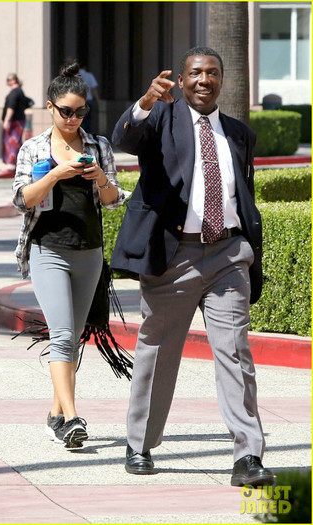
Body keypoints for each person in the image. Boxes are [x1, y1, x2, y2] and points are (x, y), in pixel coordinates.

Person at [110, 46, 275, 487]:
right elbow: (123, 140)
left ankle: (247, 455)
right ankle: (140, 443)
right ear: (181, 81)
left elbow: (243, 193)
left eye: (213, 73)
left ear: (221, 80)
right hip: (173, 257)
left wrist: (247, 247)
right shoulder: (161, 118)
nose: (205, 80)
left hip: (227, 255)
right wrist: (146, 102)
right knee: (158, 350)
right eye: (196, 73)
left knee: (235, 351)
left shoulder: (239, 134)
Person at [12, 61, 126, 450]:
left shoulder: (98, 146)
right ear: (50, 107)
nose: (74, 118)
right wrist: (56, 175)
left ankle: (56, 415)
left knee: (72, 338)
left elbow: (113, 201)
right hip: (47, 249)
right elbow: (22, 199)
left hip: (89, 251)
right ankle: (74, 418)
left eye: (80, 111)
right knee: (62, 334)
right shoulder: (34, 148)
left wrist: (100, 179)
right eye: (66, 111)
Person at [1, 73, 27, 176]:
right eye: (7, 79)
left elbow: (11, 107)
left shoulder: (14, 93)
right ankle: (17, 163)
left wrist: (6, 120)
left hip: (14, 121)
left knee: (12, 141)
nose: (8, 81)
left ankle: (11, 164)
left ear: (14, 80)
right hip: (19, 120)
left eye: (9, 79)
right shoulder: (19, 91)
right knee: (17, 141)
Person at [79, 65, 100, 133]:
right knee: (88, 120)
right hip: (88, 100)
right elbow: (94, 89)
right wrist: (98, 101)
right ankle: (87, 135)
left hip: (78, 101)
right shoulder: (89, 75)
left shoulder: (75, 75)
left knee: (79, 119)